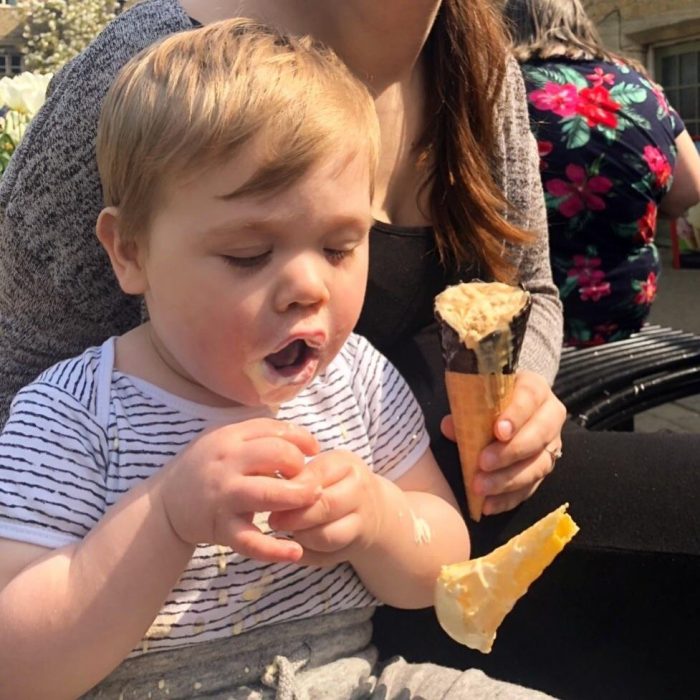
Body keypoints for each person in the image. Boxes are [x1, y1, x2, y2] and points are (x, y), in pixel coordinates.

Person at [0, 19, 557, 699]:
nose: (307, 287)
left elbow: (442, 566)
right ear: (130, 252)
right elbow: (17, 666)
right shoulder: (76, 414)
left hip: (352, 678)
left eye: (339, 247)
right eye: (248, 255)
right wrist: (166, 517)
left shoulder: (358, 381)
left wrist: (378, 520)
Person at [502, 0, 700, 347]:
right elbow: (691, 187)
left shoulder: (500, 87)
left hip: (522, 316)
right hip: (624, 307)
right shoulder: (641, 87)